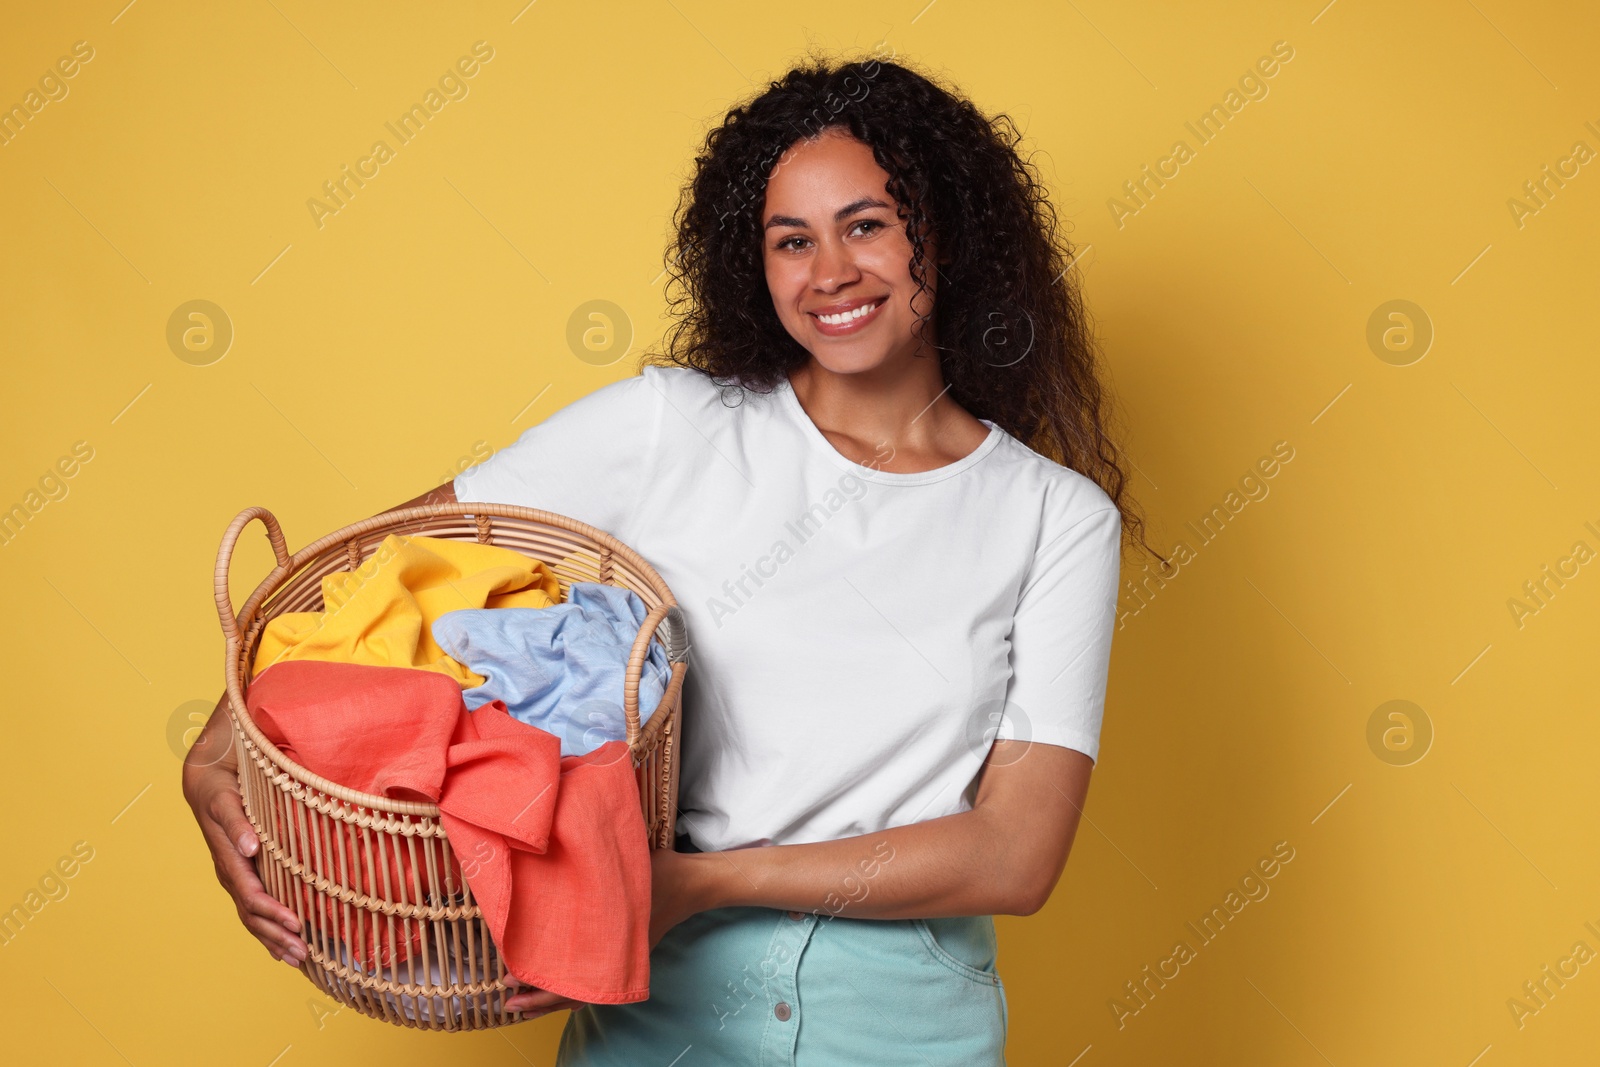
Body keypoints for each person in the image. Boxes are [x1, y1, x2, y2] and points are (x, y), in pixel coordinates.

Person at [182, 52, 1156, 1066]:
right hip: (657, 1023)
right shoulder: (670, 428)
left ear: (941, 233)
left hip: (905, 1028)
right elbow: (370, 573)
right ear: (754, 261)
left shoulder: (1053, 517)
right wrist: (219, 747)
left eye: (865, 224)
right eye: (792, 240)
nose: (829, 272)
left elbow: (1015, 853)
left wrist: (701, 884)